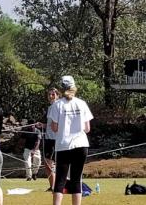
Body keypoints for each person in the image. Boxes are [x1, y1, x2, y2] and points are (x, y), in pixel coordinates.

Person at [48, 76, 93, 205]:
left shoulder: (57, 105)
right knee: (76, 179)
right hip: (81, 144)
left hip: (63, 145)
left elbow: (55, 128)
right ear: (74, 87)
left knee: (60, 180)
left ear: (61, 89)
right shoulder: (82, 103)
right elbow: (87, 128)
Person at [42, 88, 61, 191]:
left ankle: (54, 187)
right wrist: (42, 125)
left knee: (50, 163)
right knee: (47, 163)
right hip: (48, 138)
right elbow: (50, 125)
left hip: (54, 139)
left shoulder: (57, 106)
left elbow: (57, 125)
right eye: (49, 94)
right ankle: (52, 186)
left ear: (58, 95)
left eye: (53, 94)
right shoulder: (50, 107)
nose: (51, 96)